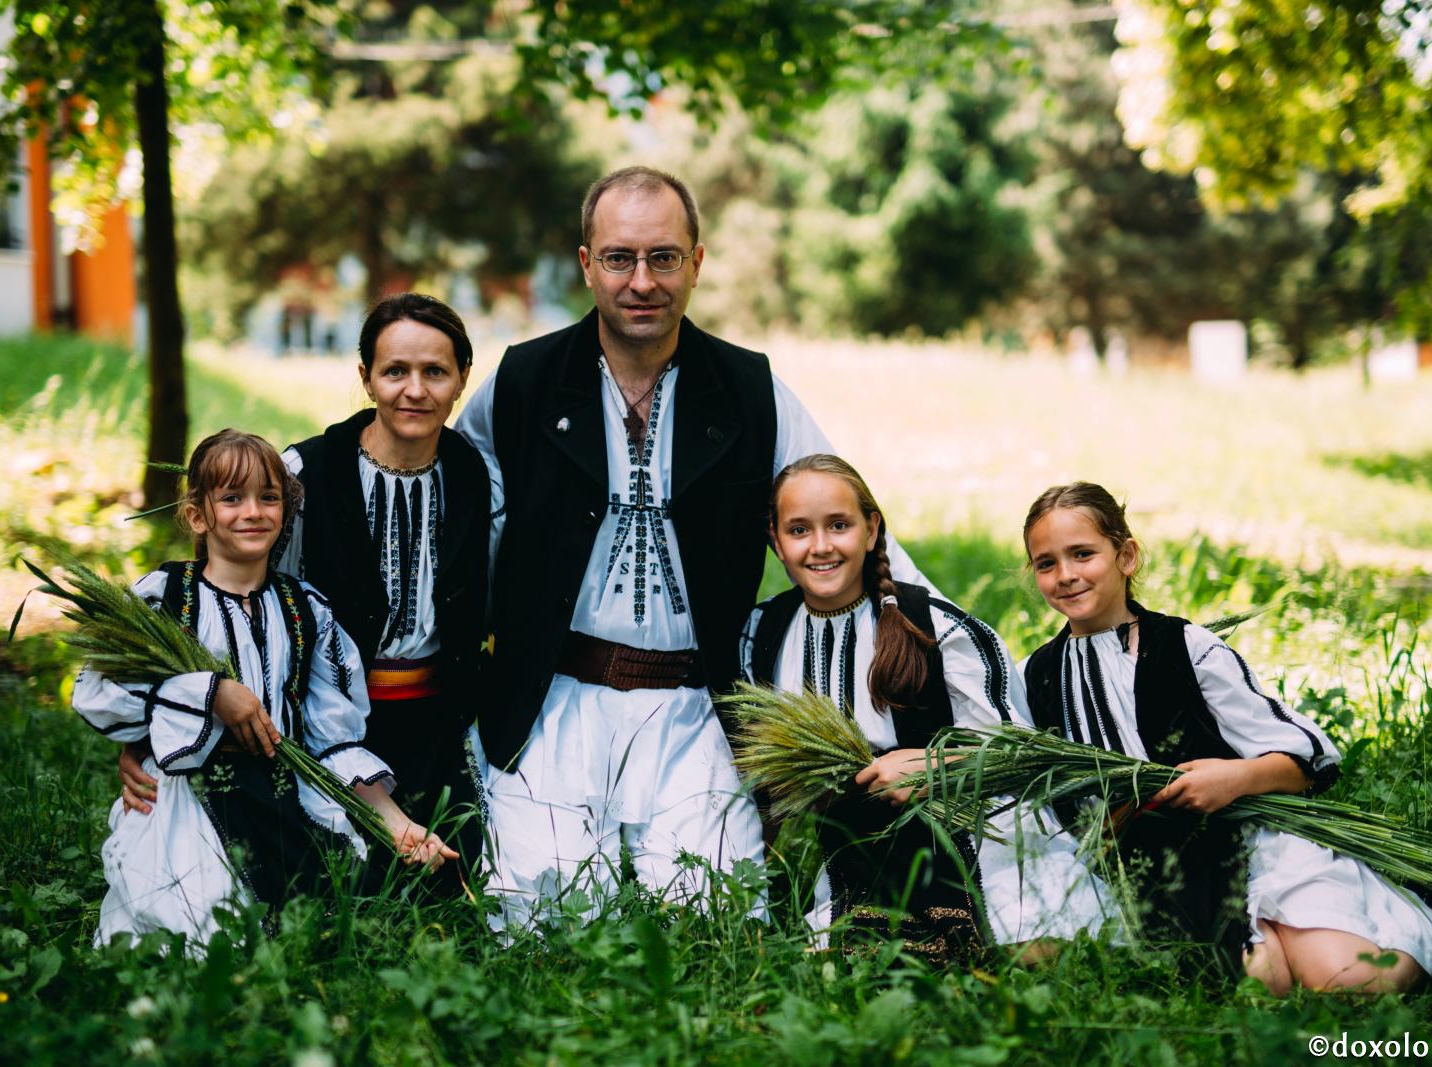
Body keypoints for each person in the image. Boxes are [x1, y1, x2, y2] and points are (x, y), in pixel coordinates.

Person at [454, 165, 927, 926]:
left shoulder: (749, 388)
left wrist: (945, 646)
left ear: (697, 263)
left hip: (696, 705)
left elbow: (848, 515)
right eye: (619, 257)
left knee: (715, 914)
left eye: (664, 257)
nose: (642, 280)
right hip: (554, 701)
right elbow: (447, 494)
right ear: (586, 264)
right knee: (547, 919)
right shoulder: (526, 381)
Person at [1019, 481, 1432, 992]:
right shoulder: (1036, 676)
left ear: (1125, 556)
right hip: (1158, 867)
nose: (1065, 575)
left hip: (1246, 835)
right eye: (1046, 563)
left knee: (1351, 983)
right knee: (1263, 983)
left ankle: (1427, 913)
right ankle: (1266, 940)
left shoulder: (1186, 648)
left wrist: (1236, 777)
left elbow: (1308, 756)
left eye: (1082, 554)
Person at [119, 294, 492, 873]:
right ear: (366, 378)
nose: (414, 390)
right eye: (395, 371)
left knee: (463, 870)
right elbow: (226, 608)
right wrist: (152, 736)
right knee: (346, 881)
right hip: (318, 719)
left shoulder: (474, 475)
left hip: (439, 719)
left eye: (435, 372)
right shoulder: (304, 474)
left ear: (462, 379)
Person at [75, 429, 455, 946]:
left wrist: (397, 825)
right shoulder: (168, 599)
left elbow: (333, 740)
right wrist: (210, 693)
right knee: (202, 936)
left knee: (342, 924)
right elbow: (104, 692)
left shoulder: (304, 611)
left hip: (281, 790)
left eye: (268, 497)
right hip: (194, 796)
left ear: (286, 511)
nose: (252, 511)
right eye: (232, 498)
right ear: (197, 515)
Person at [741, 454, 1110, 959]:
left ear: (871, 530)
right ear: (775, 540)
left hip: (970, 825)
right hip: (855, 846)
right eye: (799, 529)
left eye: (839, 525)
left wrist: (930, 763)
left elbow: (1019, 756)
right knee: (850, 961)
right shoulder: (762, 634)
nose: (821, 545)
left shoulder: (935, 627)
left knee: (1031, 950)